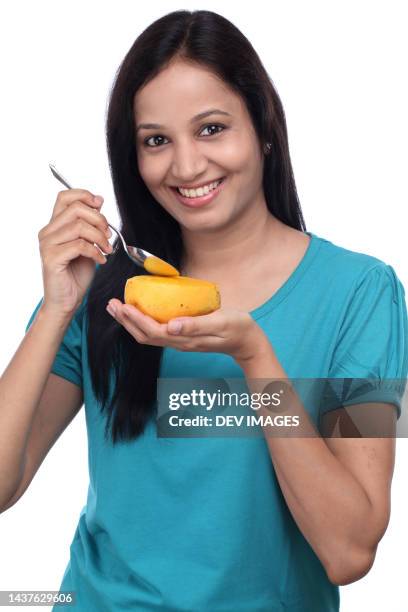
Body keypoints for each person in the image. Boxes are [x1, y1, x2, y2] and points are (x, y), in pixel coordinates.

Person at [1, 9, 407, 612]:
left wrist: (255, 357)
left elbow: (349, 552)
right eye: (156, 140)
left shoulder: (362, 293)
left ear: (264, 126)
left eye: (212, 129)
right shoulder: (108, 290)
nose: (187, 167)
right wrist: (58, 307)